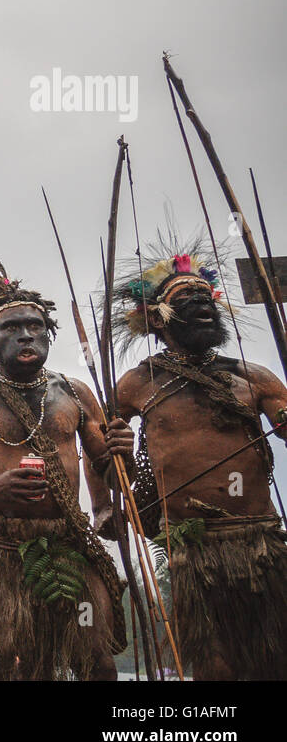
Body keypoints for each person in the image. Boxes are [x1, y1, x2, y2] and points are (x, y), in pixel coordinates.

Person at [0, 245, 128, 680]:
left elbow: (112, 475)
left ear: (49, 333)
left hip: (68, 542)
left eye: (35, 326)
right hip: (2, 549)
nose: (26, 335)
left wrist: (121, 451)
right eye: (12, 328)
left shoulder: (76, 393)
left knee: (97, 662)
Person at [113, 239, 287, 679]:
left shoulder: (254, 376)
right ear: (156, 318)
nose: (200, 303)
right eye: (184, 298)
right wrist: (108, 489)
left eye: (205, 296)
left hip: (260, 540)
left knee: (274, 660)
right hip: (192, 548)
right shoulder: (137, 384)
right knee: (215, 667)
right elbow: (107, 459)